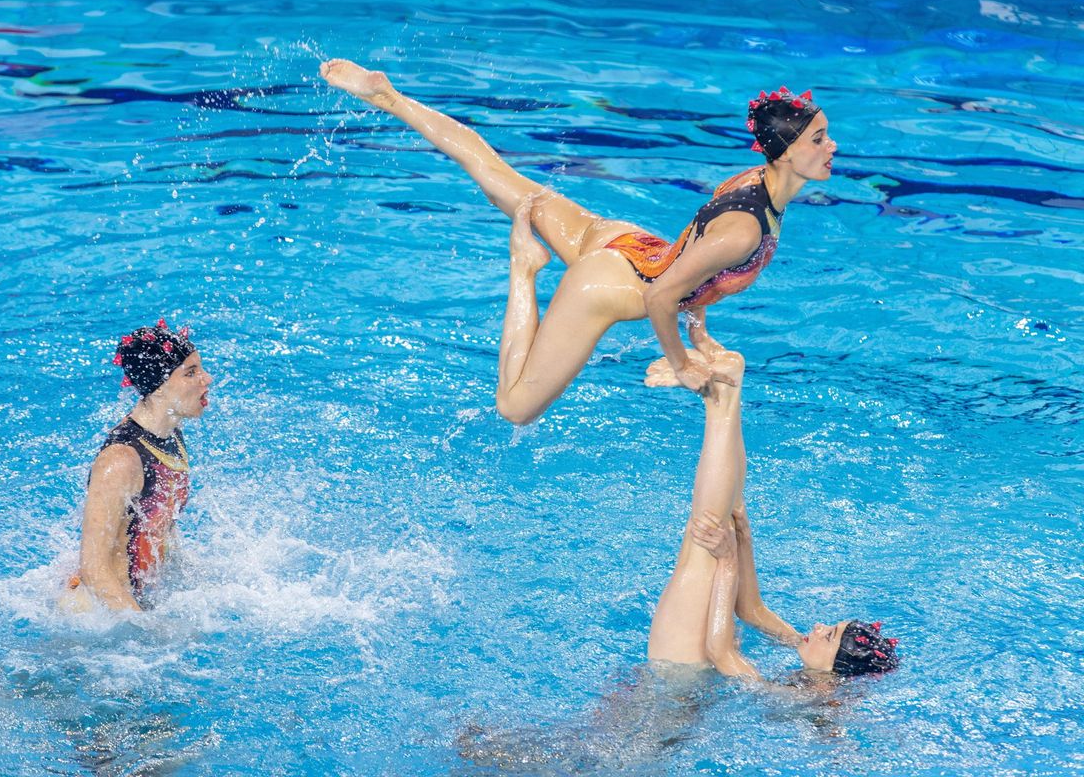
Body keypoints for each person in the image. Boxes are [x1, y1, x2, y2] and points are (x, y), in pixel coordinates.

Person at [320, 59, 837, 423]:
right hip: (613, 283)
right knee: (514, 408)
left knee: (495, 170)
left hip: (627, 243)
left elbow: (698, 268)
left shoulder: (753, 182)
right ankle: (524, 267)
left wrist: (699, 335)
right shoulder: (747, 225)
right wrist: (683, 364)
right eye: (818, 139)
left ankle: (388, 97)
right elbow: (662, 295)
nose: (831, 147)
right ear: (786, 152)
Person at [645, 349, 899, 678]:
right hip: (683, 670)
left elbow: (721, 654)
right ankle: (721, 397)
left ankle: (722, 397)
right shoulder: (816, 672)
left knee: (705, 542)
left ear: (836, 668)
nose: (819, 626)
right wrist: (743, 540)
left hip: (676, 686)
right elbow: (751, 610)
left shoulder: (798, 702)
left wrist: (728, 562)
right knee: (720, 526)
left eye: (829, 635)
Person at [59, 319, 213, 613]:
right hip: (94, 614)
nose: (206, 379)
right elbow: (93, 570)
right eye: (190, 373)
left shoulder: (170, 435)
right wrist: (147, 629)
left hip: (130, 601)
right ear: (157, 388)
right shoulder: (121, 461)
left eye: (200, 369)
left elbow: (160, 526)